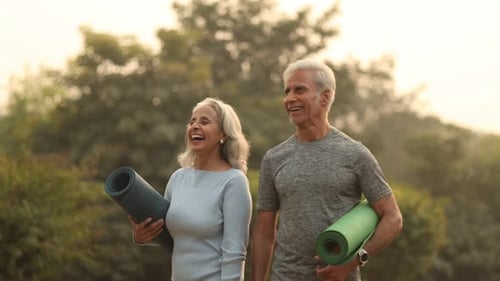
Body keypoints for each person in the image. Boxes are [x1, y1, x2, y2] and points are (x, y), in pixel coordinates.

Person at [251, 59, 403, 281]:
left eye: (299, 90)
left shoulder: (355, 154)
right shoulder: (274, 158)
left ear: (325, 96)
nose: (290, 98)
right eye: (287, 91)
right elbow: (264, 233)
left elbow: (393, 218)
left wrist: (353, 262)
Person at [129, 97, 252, 281]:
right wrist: (141, 236)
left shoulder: (234, 182)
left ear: (224, 134)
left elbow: (234, 254)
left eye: (205, 121)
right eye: (192, 121)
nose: (194, 126)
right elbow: (173, 237)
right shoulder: (178, 178)